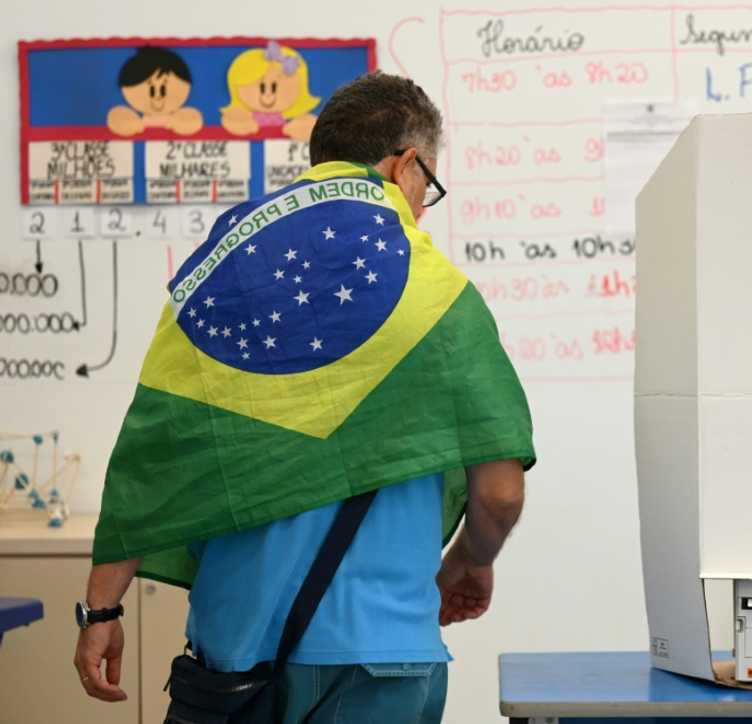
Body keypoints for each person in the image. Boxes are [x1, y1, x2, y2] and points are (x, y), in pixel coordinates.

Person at [74, 72, 534, 723]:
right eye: (426, 186)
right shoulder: (438, 297)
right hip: (383, 652)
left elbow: (155, 453)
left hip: (232, 657)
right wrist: (469, 560)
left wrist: (102, 608)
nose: (423, 206)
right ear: (407, 164)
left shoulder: (217, 276)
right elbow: (500, 492)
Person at [106, 46, 203, 136]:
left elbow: (196, 122)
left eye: (163, 88)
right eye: (151, 89)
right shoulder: (130, 120)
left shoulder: (184, 119)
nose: (157, 95)